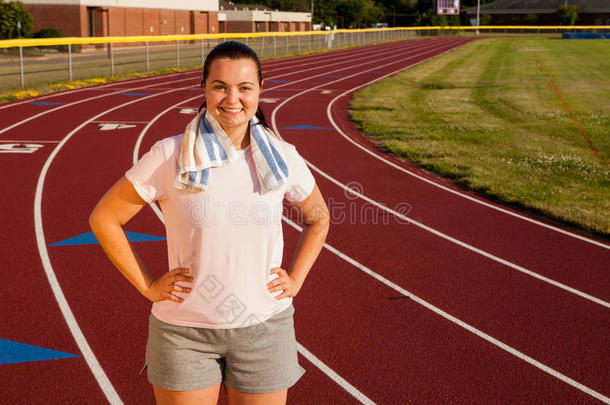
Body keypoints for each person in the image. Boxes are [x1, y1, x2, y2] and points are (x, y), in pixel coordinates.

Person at [89, 41, 329, 405]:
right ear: (204, 88)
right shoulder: (168, 155)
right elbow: (104, 218)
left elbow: (318, 218)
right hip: (184, 333)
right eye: (220, 86)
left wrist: (296, 278)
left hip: (264, 327)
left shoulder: (283, 157)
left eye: (245, 88)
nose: (232, 98)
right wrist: (149, 285)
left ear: (260, 91)